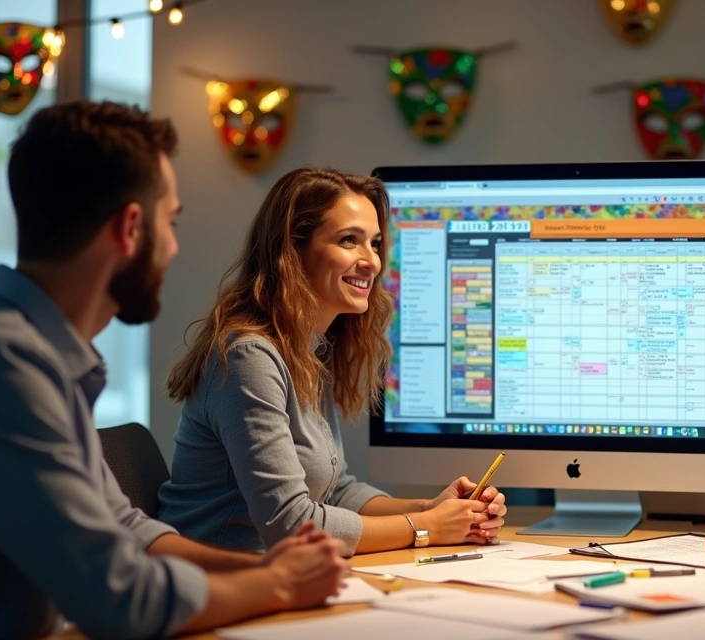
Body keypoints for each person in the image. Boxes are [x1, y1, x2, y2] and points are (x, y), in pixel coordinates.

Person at [0, 101, 350, 640]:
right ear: (131, 228)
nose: (173, 247)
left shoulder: (32, 354)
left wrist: (262, 569)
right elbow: (120, 597)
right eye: (169, 222)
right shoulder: (0, 365)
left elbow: (123, 527)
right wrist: (281, 587)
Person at [158, 167, 506, 555]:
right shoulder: (247, 358)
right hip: (224, 587)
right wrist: (424, 528)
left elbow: (335, 490)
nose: (372, 261)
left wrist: (434, 509)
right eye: (348, 241)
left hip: (281, 581)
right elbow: (291, 524)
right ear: (292, 250)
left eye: (374, 243)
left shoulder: (306, 349)